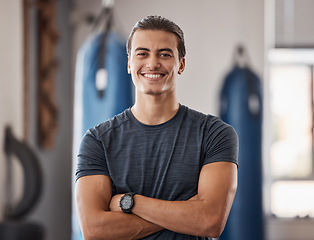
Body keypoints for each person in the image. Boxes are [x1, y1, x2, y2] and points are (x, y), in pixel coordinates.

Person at [75, 15, 239, 240]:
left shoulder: (214, 134)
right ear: (129, 63)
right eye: (142, 53)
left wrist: (130, 202)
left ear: (181, 64)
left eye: (164, 54)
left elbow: (210, 221)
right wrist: (184, 213)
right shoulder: (97, 140)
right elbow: (94, 230)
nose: (152, 63)